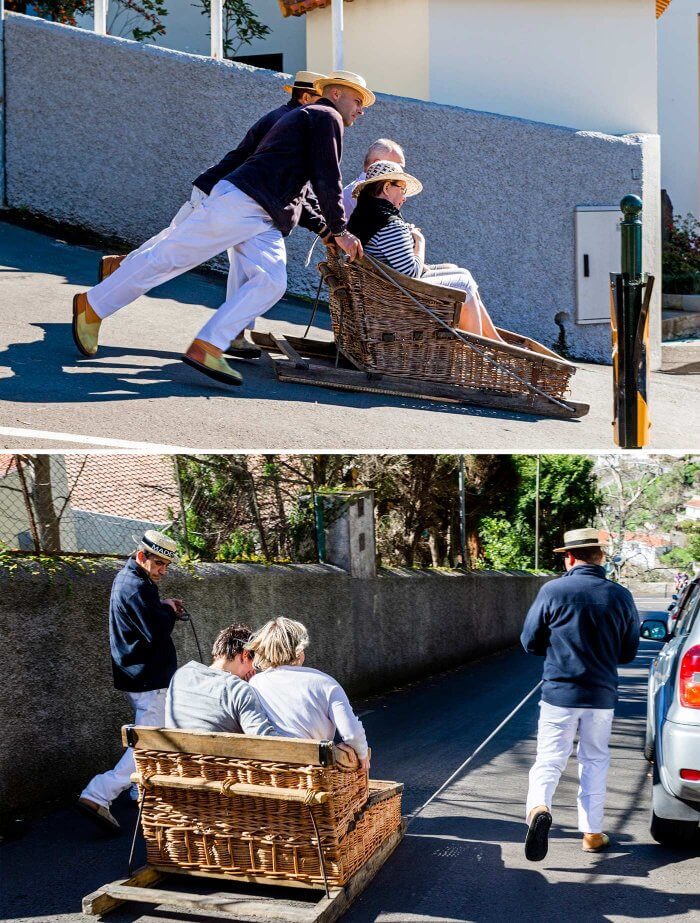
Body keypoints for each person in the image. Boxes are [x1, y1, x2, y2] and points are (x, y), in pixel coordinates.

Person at [72, 70, 374, 388]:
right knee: (170, 257)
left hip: (265, 214)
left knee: (271, 281)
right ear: (336, 93)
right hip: (243, 203)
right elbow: (327, 178)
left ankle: (209, 345)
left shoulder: (307, 116)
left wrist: (329, 230)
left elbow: (308, 184)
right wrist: (339, 229)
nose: (361, 109)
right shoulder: (325, 116)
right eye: (357, 100)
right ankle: (93, 305)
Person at [96, 71, 327, 359]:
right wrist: (326, 228)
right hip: (222, 194)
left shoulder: (296, 121)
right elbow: (281, 181)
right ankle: (117, 272)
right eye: (323, 98)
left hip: (238, 199)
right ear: (306, 97)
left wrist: (324, 224)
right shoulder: (289, 121)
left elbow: (298, 188)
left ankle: (233, 334)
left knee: (244, 266)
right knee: (173, 247)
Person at [520, 527, 640, 861]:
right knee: (595, 760)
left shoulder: (553, 591)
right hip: (601, 696)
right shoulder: (620, 596)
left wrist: (557, 648)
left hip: (559, 694)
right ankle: (591, 833)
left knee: (550, 758)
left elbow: (530, 642)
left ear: (569, 557)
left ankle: (538, 810)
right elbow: (629, 652)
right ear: (600, 556)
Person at [78, 530, 187, 833]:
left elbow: (145, 619)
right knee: (148, 743)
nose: (163, 571)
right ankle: (98, 793)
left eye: (167, 565)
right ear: (142, 557)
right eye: (159, 564)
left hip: (138, 674)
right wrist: (167, 611)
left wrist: (161, 604)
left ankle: (139, 790)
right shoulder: (138, 587)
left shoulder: (131, 581)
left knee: (148, 737)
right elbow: (154, 631)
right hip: (148, 677)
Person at [347, 160, 504, 342]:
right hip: (396, 296)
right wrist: (419, 241)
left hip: (383, 288)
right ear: (387, 187)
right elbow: (412, 273)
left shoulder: (363, 214)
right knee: (465, 284)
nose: (404, 198)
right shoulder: (387, 222)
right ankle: (478, 349)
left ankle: (496, 341)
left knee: (462, 272)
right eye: (402, 189)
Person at [246, 617, 370, 769]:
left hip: (271, 768)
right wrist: (362, 755)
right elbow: (352, 734)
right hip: (314, 770)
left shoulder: (255, 683)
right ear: (299, 650)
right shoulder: (325, 683)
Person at [166, 623, 279, 735]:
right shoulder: (239, 690)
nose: (254, 671)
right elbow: (264, 738)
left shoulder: (182, 674)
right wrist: (253, 690)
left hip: (174, 752)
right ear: (245, 654)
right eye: (255, 664)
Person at [342, 138, 405, 219]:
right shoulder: (367, 193)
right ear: (377, 164)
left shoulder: (354, 190)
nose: (401, 173)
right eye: (397, 166)